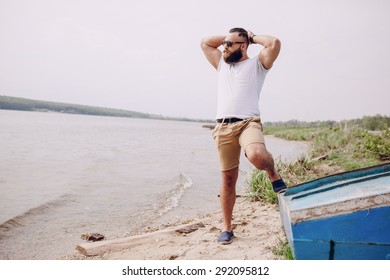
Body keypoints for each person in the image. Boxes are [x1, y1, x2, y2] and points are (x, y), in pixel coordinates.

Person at [200, 28, 286, 245]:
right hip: (223, 127)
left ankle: (272, 172)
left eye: (230, 44)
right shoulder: (221, 64)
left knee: (256, 155)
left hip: (248, 122)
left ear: (244, 45)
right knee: (228, 179)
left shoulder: (257, 65)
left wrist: (252, 36)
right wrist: (229, 38)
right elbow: (205, 42)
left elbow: (274, 42)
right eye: (225, 43)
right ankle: (227, 228)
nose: (225, 47)